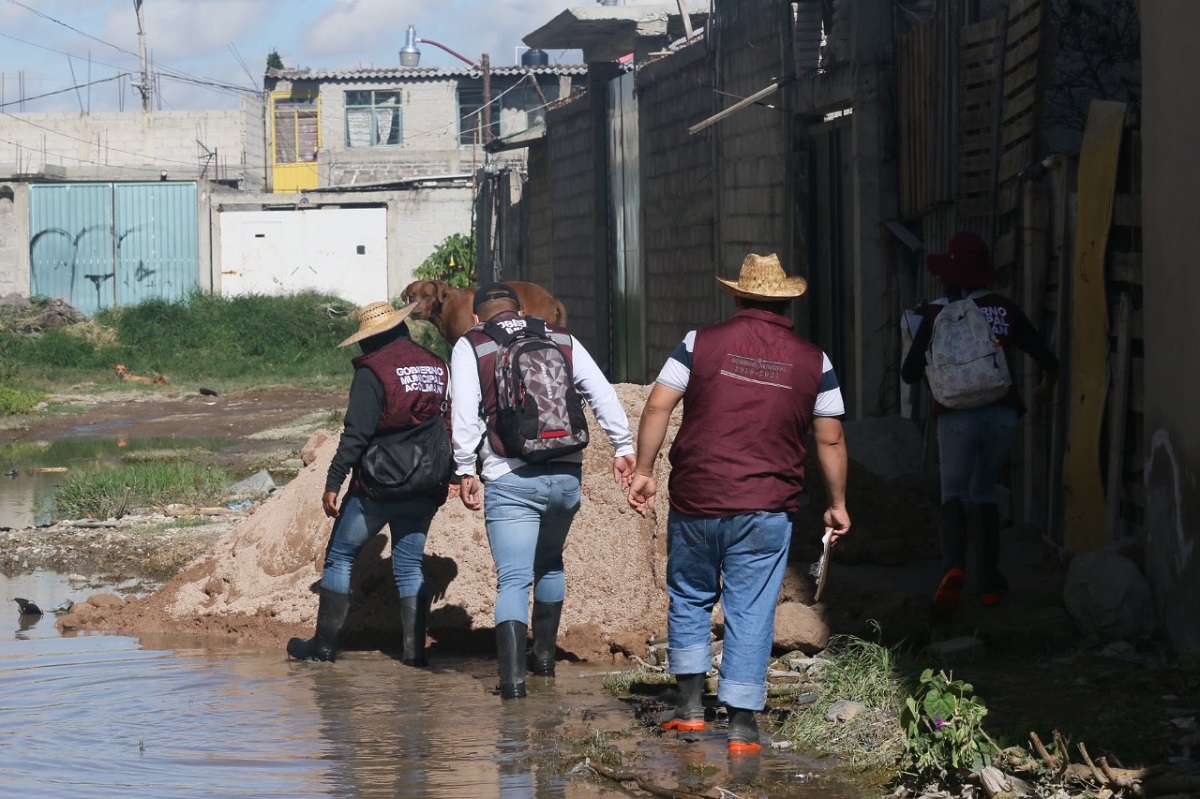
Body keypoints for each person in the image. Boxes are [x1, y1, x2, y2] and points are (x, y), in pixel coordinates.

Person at [627, 253, 851, 755]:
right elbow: (830, 439)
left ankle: (688, 711)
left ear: (737, 296)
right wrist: (837, 504)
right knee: (751, 608)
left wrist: (644, 471)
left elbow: (659, 403)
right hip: (767, 505)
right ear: (789, 302)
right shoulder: (816, 361)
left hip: (698, 496)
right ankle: (744, 726)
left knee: (689, 593)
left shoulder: (697, 343)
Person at [450, 282, 636, 700]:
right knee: (550, 563)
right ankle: (546, 664)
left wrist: (465, 467)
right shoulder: (559, 336)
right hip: (566, 475)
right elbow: (600, 392)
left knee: (514, 580)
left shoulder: (473, 342)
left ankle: (514, 686)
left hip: (511, 477)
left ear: (479, 315)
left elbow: (463, 413)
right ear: (519, 309)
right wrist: (623, 446)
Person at [901, 231, 1058, 615]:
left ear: (950, 273)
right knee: (985, 492)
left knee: (952, 493)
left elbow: (907, 374)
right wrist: (1043, 386)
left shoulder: (935, 313)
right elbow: (1047, 358)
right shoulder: (1003, 309)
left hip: (955, 416)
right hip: (1001, 413)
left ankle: (953, 567)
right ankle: (990, 584)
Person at [287, 301, 451, 665]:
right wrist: (453, 473)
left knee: (341, 555)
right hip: (426, 482)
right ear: (402, 329)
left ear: (369, 340)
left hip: (379, 486)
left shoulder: (372, 371)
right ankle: (414, 656)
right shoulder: (438, 365)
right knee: (409, 564)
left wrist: (334, 479)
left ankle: (323, 648)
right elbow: (451, 423)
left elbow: (356, 435)